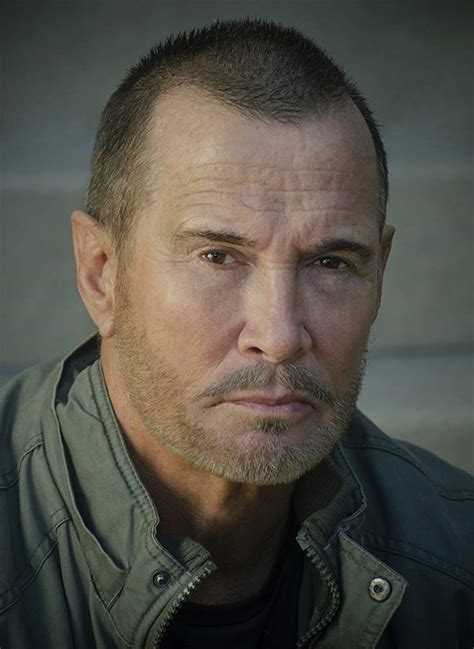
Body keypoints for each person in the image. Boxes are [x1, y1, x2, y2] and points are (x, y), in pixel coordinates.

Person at [0, 18, 472, 649]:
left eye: (331, 263)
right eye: (218, 257)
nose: (279, 335)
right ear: (101, 274)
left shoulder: (456, 556)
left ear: (379, 275)